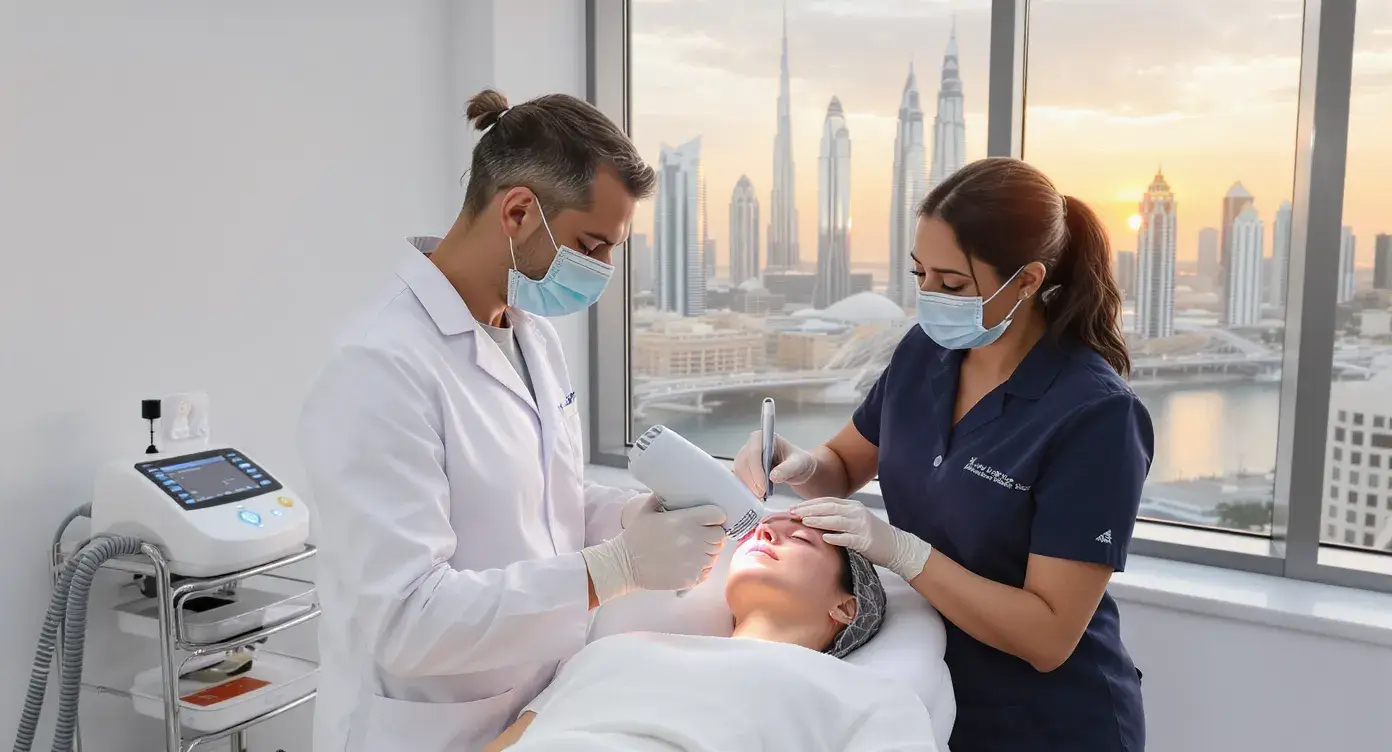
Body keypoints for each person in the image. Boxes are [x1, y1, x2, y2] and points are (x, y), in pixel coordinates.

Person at [298, 89, 728, 752]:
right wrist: (614, 568)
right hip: (423, 726)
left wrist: (630, 519)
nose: (605, 271)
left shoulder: (528, 334)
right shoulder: (378, 365)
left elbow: (546, 498)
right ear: (520, 212)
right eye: (593, 246)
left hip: (532, 711)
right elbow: (405, 621)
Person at [733, 157, 1152, 751]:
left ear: (1028, 280)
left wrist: (903, 553)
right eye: (919, 273)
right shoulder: (925, 353)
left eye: (952, 284)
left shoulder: (1097, 416)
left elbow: (1049, 634)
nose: (929, 297)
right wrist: (799, 464)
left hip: (1048, 723)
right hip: (931, 693)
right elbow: (846, 464)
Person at [483, 512, 940, 752]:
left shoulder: (872, 696)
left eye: (801, 539)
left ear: (845, 607)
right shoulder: (607, 652)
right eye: (764, 530)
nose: (770, 530)